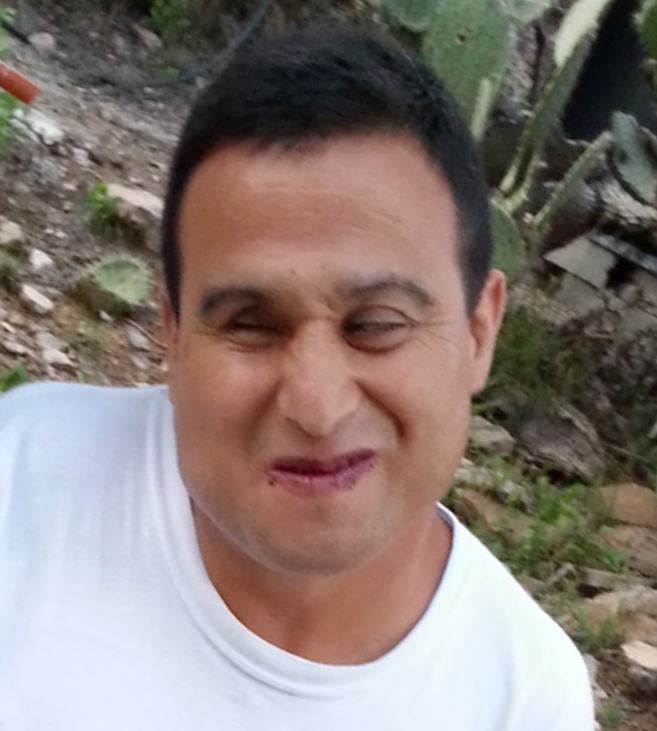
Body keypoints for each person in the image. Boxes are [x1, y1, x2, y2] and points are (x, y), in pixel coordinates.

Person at [0, 26, 594, 730]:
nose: (317, 406)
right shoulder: (23, 479)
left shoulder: (522, 700)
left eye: (375, 324)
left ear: (478, 332)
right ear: (173, 332)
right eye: (251, 324)